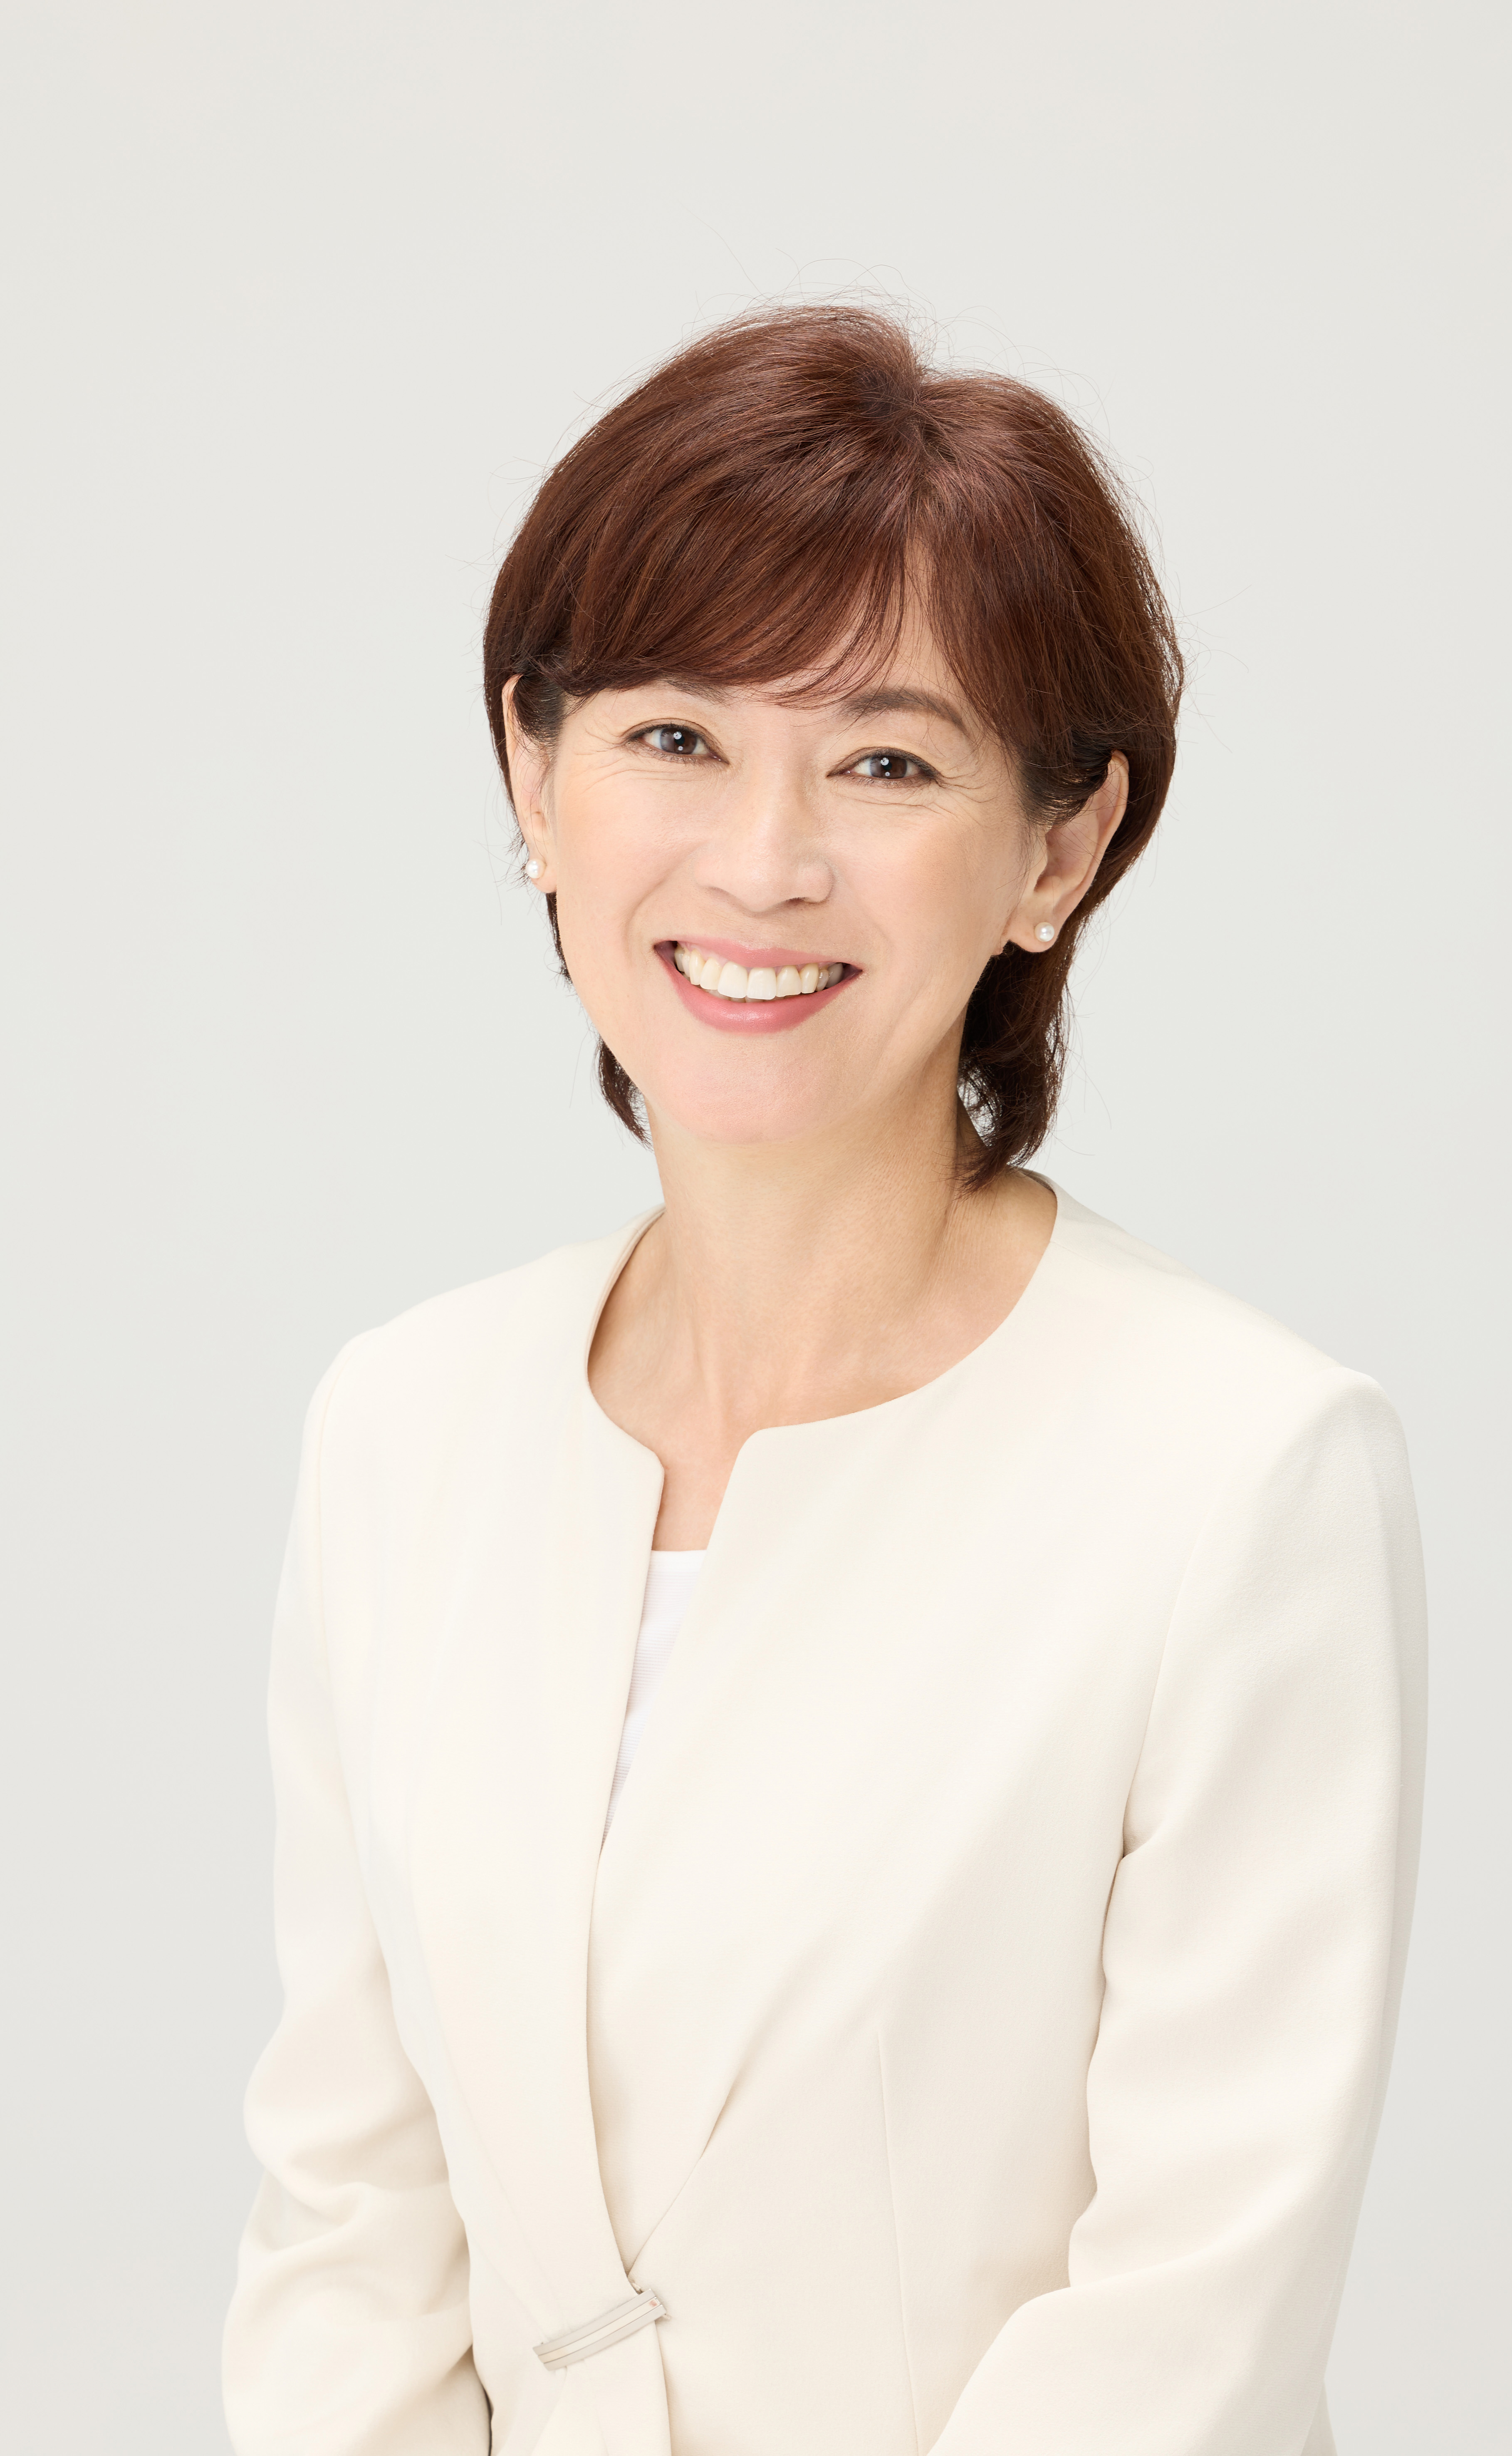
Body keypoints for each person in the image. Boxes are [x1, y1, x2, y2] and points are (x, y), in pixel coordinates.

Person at [223, 305, 1425, 2456]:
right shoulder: (403, 1428)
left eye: (887, 764)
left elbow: (1185, 2320)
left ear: (1058, 850)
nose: (764, 859)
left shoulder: (1238, 1475)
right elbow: (351, 2227)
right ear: (535, 780)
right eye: (675, 736)